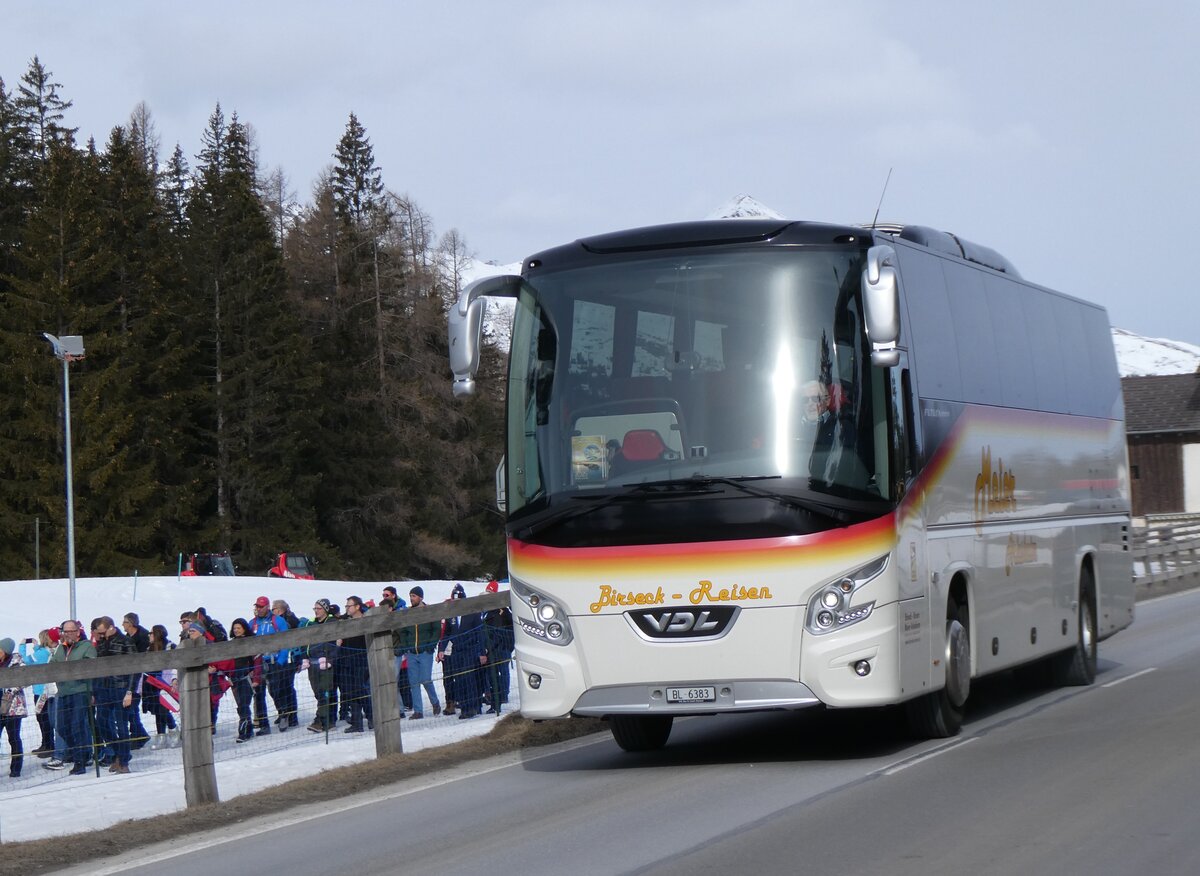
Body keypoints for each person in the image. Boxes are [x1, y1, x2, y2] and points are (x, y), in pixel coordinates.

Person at [46, 620, 96, 775]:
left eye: (70, 631)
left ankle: (80, 761)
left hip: (80, 691)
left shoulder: (86, 647)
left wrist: (92, 692)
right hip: (64, 692)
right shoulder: (61, 649)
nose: (66, 634)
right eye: (64, 631)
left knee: (77, 725)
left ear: (77, 631)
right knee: (61, 726)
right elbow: (52, 665)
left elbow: (91, 668)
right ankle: (82, 752)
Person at [439, 584, 486, 719]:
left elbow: (480, 632)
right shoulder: (451, 615)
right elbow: (447, 633)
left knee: (469, 678)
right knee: (459, 679)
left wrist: (482, 652)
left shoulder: (473, 613)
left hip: (470, 649)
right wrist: (442, 649)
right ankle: (465, 705)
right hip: (456, 650)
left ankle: (471, 707)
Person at [395, 586, 441, 720]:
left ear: (420, 597)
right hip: (411, 652)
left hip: (425, 651)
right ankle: (418, 711)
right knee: (413, 681)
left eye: (414, 596)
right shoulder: (408, 613)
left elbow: (436, 629)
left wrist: (430, 645)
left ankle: (435, 702)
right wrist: (406, 646)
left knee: (425, 679)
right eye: (410, 596)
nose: (411, 598)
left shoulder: (429, 611)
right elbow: (403, 631)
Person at [249, 595, 287, 734]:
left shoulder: (278, 621)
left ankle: (283, 714)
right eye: (257, 606)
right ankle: (264, 724)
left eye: (261, 607)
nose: (258, 609)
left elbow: (285, 642)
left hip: (273, 661)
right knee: (259, 694)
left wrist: (280, 661)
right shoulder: (252, 623)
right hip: (258, 663)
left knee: (276, 691)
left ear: (267, 607)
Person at [19, 630, 56, 758]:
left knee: (42, 718)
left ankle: (48, 745)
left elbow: (28, 660)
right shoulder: (47, 652)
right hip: (45, 690)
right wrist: (35, 647)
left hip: (41, 692)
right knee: (44, 718)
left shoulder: (42, 653)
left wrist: (22, 646)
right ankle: (46, 743)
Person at [303, 599, 339, 732]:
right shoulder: (310, 623)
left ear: (325, 609)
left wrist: (330, 659)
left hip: (325, 662)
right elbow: (305, 641)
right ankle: (328, 720)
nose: (316, 611)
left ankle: (320, 721)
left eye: (318, 608)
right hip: (312, 662)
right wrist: (304, 657)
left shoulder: (332, 622)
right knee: (318, 692)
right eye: (315, 608)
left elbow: (336, 643)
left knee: (325, 691)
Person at [339, 596, 372, 733]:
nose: (346, 608)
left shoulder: (365, 621)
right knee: (351, 691)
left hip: (361, 660)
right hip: (347, 660)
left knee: (361, 689)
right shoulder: (345, 622)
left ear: (357, 606)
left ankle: (372, 717)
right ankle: (357, 722)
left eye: (349, 606)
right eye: (346, 606)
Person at [482, 581, 514, 714]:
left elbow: (506, 626)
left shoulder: (502, 610)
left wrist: (508, 643)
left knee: (503, 670)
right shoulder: (486, 611)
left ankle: (504, 694)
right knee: (494, 672)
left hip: (502, 645)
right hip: (493, 646)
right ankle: (495, 695)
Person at [120, 613, 151, 749]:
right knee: (130, 708)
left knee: (132, 706)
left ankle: (139, 734)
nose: (123, 625)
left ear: (131, 623)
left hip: (139, 677)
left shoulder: (142, 637)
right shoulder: (127, 637)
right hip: (129, 676)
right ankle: (138, 733)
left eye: (125, 622)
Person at [143, 625, 178, 747]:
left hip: (166, 683)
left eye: (151, 633)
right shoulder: (149, 649)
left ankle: (173, 729)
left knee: (163, 709)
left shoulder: (170, 646)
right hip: (153, 683)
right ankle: (161, 735)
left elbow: (176, 663)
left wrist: (174, 679)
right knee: (157, 710)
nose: (149, 635)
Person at [270, 599, 301, 729]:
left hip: (289, 659)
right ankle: (283, 712)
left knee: (286, 687)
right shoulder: (285, 620)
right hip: (282, 658)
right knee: (278, 687)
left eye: (273, 609)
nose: (272, 611)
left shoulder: (287, 621)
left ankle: (291, 715)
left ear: (279, 610)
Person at [228, 618, 259, 742]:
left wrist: (255, 676)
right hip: (234, 677)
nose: (236, 630)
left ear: (244, 629)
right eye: (234, 628)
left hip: (247, 677)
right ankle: (249, 728)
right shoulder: (231, 644)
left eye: (238, 628)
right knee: (240, 704)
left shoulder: (251, 642)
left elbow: (257, 660)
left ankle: (243, 731)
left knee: (243, 704)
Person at [0, 638, 27, 777]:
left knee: (14, 738)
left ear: (6, 651)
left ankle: (16, 769)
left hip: (13, 708)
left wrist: (9, 692)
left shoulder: (17, 663)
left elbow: (24, 680)